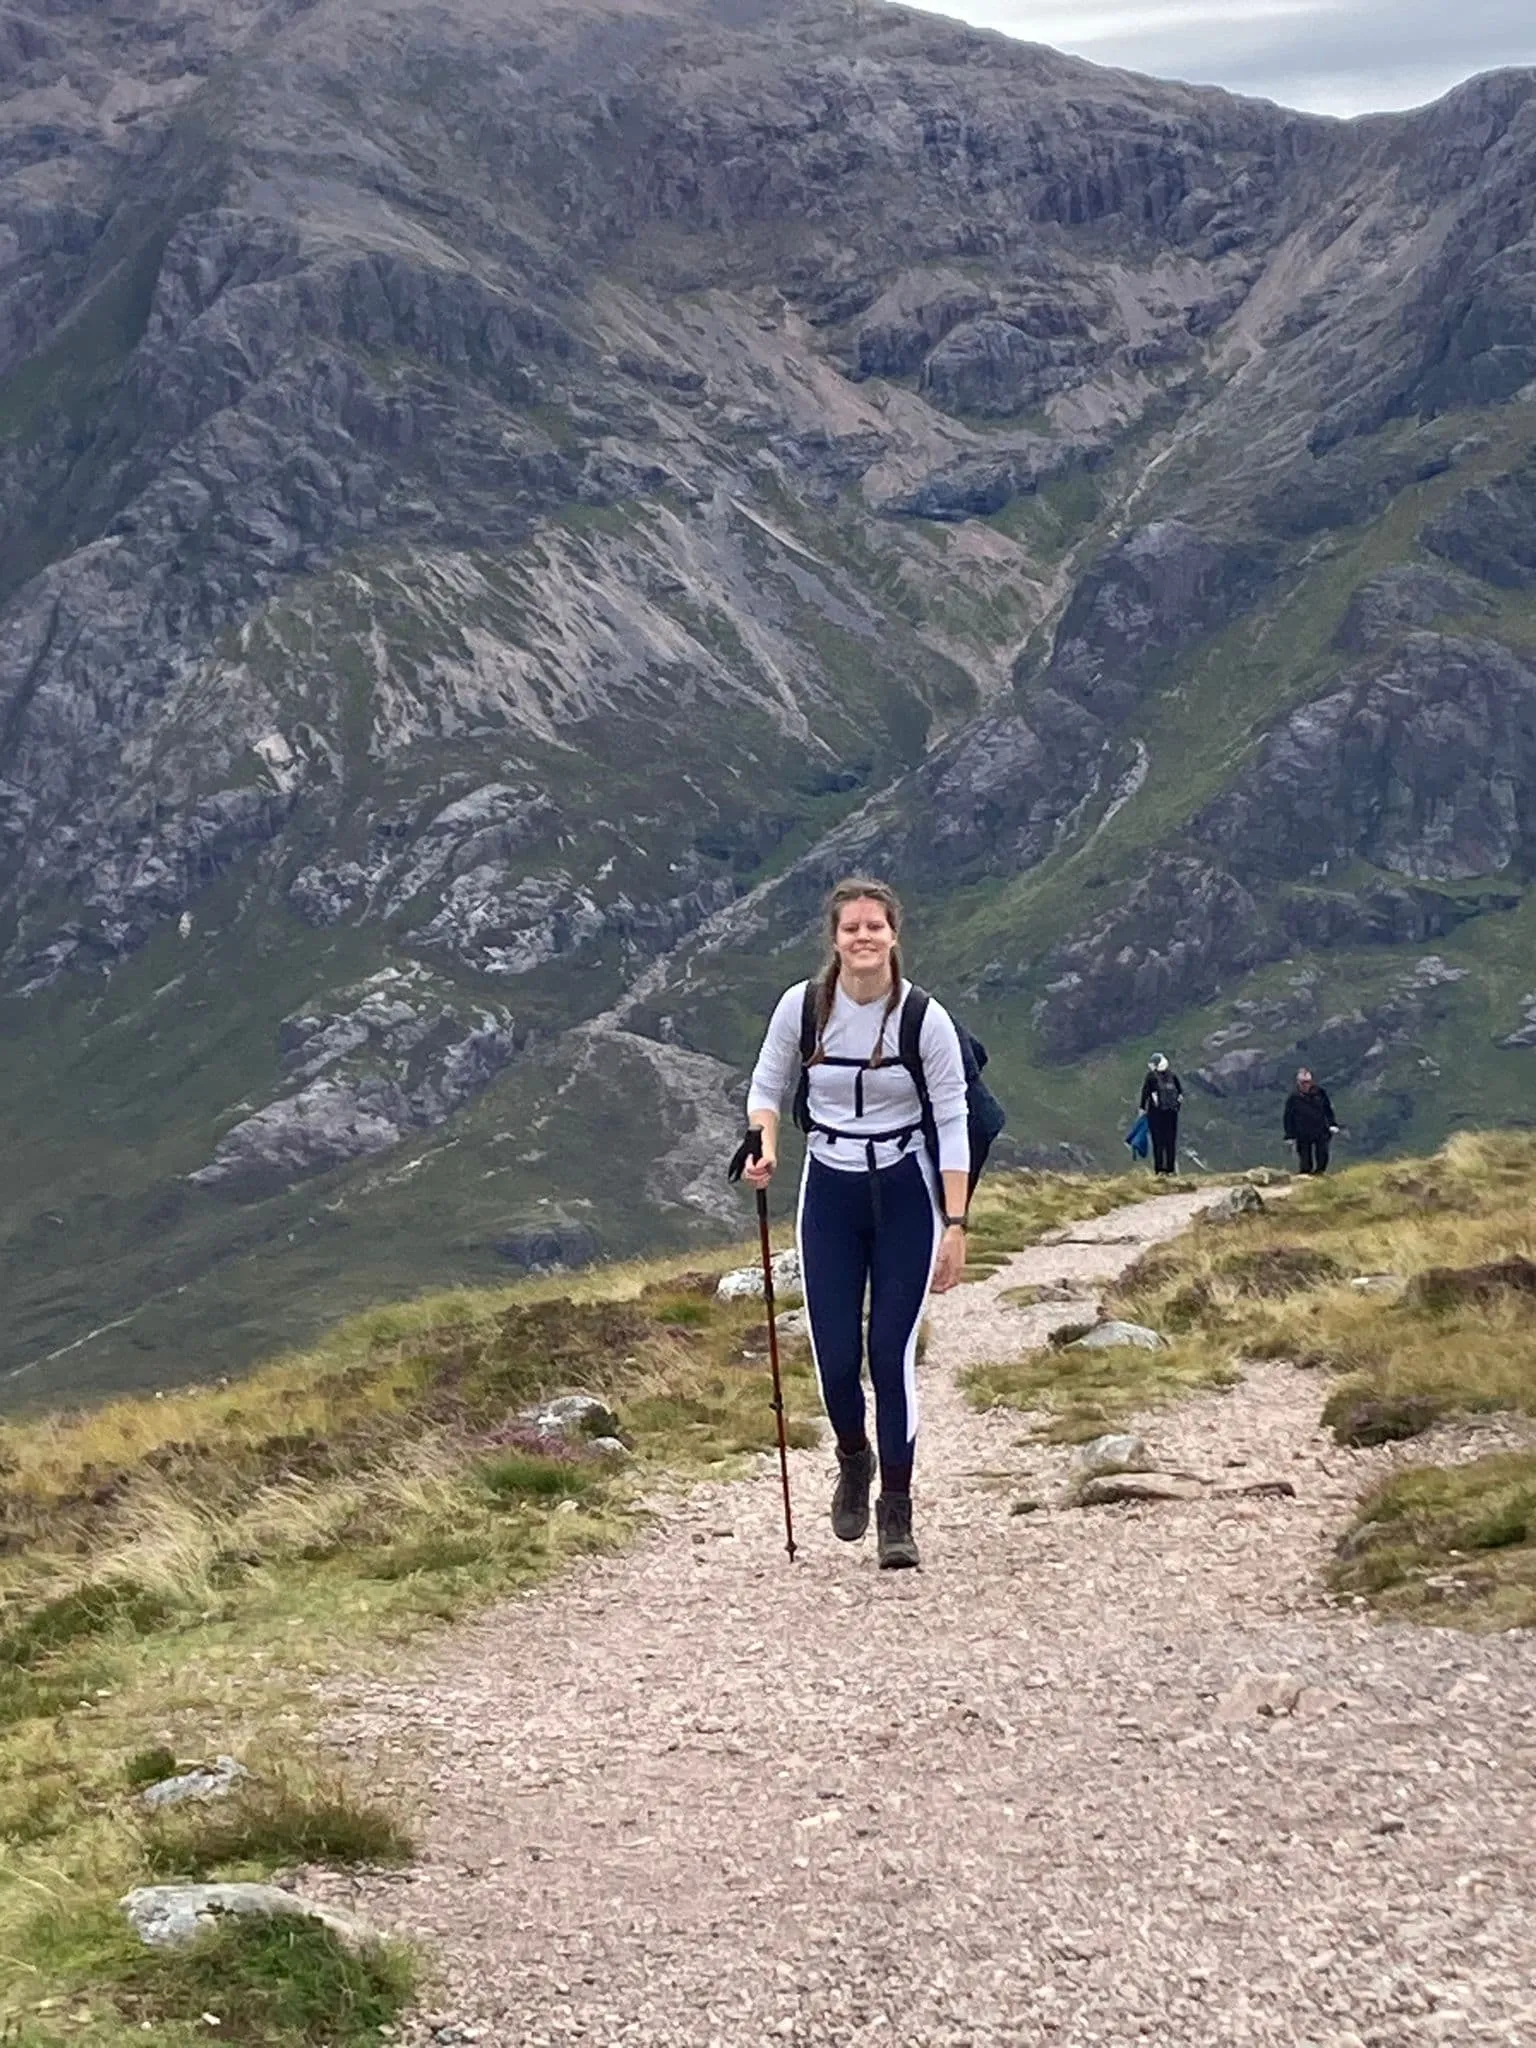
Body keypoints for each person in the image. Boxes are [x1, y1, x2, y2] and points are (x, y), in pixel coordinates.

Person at [742, 877, 969, 1571]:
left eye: (875, 926)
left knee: (890, 1358)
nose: (864, 938)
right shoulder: (804, 1007)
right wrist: (767, 1146)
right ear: (834, 939)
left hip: (906, 1189)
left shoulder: (924, 1019)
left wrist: (955, 1222)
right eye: (851, 929)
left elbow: (954, 1119)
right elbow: (766, 1086)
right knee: (836, 1358)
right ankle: (853, 1455)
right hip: (830, 1190)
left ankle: (896, 1512)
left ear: (894, 933)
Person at [1283, 1068, 1339, 1174]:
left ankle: (1320, 1173)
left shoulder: (1320, 1093)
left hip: (1320, 1129)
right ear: (1298, 1083)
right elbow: (1288, 1117)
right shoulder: (1293, 1098)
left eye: (1308, 1082)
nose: (1306, 1085)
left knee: (1322, 1154)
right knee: (1305, 1159)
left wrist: (1332, 1124)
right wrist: (1289, 1135)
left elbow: (1328, 1109)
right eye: (1303, 1082)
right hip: (1302, 1132)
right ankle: (1306, 1176)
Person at [1138, 1054, 1183, 1176]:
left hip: (1156, 1114)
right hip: (1172, 1114)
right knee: (1170, 1142)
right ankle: (1170, 1170)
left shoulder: (1151, 1076)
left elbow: (1145, 1093)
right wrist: (1176, 1108)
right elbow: (1180, 1094)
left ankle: (1159, 1170)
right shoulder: (1173, 1076)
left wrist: (1142, 1109)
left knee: (1158, 1142)